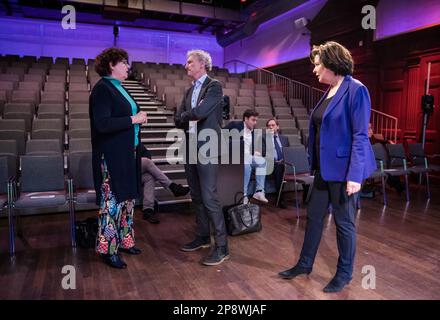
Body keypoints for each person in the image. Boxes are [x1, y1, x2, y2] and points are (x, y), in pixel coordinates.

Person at [278, 41, 376, 292]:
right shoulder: (330, 90)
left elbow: (360, 136)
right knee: (314, 218)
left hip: (345, 173)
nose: (315, 70)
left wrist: (355, 175)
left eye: (318, 65)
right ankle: (304, 264)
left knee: (344, 224)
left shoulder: (356, 90)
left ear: (332, 65)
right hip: (324, 170)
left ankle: (344, 274)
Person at [90, 47, 147, 269]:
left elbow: (127, 117)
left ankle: (125, 240)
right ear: (112, 65)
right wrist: (133, 118)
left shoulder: (120, 87)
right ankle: (108, 249)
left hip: (127, 153)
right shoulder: (103, 89)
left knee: (127, 201)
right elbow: (102, 124)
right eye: (124, 62)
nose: (128, 66)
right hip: (111, 156)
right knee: (111, 203)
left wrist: (139, 119)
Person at [174, 49, 229, 266]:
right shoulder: (189, 92)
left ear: (201, 65)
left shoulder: (213, 86)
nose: (186, 65)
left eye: (189, 62)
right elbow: (176, 120)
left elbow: (200, 113)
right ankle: (203, 236)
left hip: (207, 148)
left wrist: (190, 116)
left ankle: (222, 246)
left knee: (209, 197)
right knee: (196, 196)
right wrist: (191, 116)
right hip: (190, 147)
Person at [224, 110, 268, 204]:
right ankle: (243, 194)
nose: (255, 123)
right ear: (246, 119)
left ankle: (259, 191)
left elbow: (260, 148)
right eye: (253, 120)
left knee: (262, 161)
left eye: (256, 120)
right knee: (246, 165)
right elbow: (221, 135)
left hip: (248, 156)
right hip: (235, 156)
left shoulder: (255, 132)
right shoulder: (234, 125)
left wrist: (256, 152)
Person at [140, 144, 190, 224]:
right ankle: (173, 187)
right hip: (121, 170)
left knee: (149, 177)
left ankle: (148, 210)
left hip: (132, 171)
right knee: (147, 162)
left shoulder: (134, 138)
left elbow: (145, 152)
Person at [266, 118, 290, 208]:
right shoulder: (264, 139)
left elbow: (288, 152)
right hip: (272, 163)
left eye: (273, 125)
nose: (271, 127)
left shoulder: (284, 139)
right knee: (279, 168)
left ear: (277, 127)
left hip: (285, 162)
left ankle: (306, 196)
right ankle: (280, 199)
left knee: (303, 167)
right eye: (268, 126)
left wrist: (284, 159)